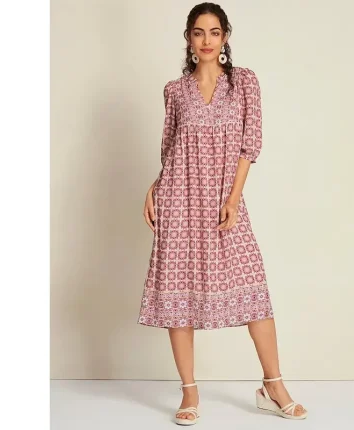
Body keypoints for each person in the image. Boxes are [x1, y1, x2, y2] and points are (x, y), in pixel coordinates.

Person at [138, 2, 308, 425]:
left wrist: (233, 199)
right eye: (198, 32)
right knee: (178, 293)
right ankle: (189, 392)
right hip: (179, 200)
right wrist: (156, 187)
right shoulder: (174, 91)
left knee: (254, 290)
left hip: (222, 200)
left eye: (214, 32)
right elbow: (169, 149)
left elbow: (251, 143)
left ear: (226, 37)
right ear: (188, 38)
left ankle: (273, 386)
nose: (207, 40)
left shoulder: (244, 82)